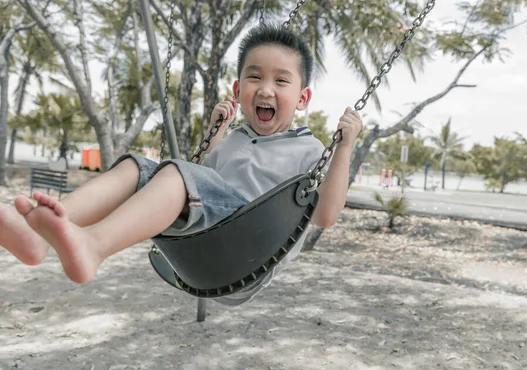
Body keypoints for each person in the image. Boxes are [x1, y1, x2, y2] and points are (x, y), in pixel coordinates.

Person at [0, 23, 362, 304]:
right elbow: (197, 182)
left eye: (281, 81)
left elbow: (325, 216)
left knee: (175, 172)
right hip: (204, 242)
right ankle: (38, 236)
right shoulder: (235, 138)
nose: (266, 89)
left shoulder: (310, 149)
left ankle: (93, 246)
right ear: (238, 91)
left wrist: (343, 148)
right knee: (138, 167)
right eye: (254, 77)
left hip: (248, 251)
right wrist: (215, 135)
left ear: (302, 98)